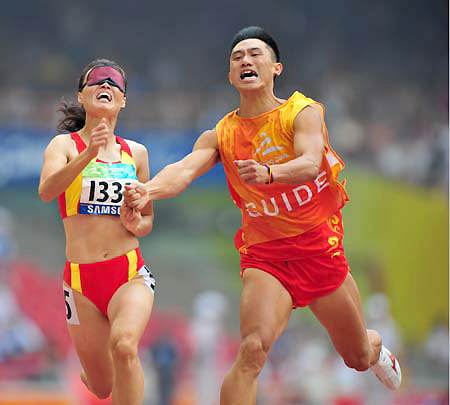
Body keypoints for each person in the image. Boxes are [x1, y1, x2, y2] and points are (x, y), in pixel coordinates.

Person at [123, 27, 402, 404]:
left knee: (355, 357)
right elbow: (185, 169)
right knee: (253, 349)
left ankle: (376, 346)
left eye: (255, 54)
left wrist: (269, 173)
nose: (245, 61)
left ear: (276, 68)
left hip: (319, 251)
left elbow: (308, 162)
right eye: (237, 57)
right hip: (266, 257)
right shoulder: (223, 132)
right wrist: (148, 190)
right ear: (230, 76)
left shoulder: (302, 112)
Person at [38, 59, 156, 405]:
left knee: (124, 345)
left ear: (123, 101)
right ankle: (94, 370)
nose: (106, 85)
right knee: (103, 386)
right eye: (97, 81)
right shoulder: (63, 147)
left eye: (115, 84)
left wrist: (138, 223)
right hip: (80, 282)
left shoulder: (136, 153)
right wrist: (88, 153)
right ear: (81, 95)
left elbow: (147, 220)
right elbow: (47, 191)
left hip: (128, 273)